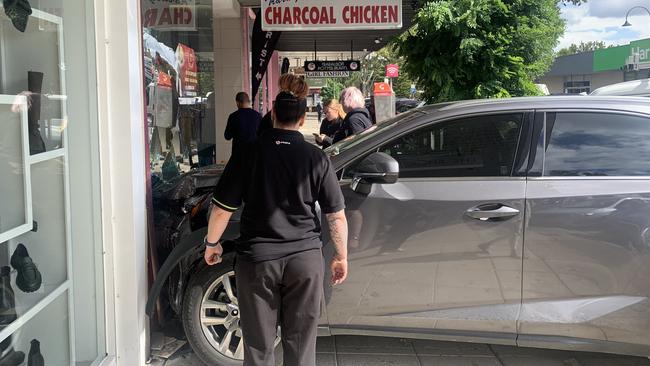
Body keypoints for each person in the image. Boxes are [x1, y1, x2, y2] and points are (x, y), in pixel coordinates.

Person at [203, 81, 349, 366]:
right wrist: (341, 256)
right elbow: (336, 215)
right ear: (302, 118)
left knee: (258, 346)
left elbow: (221, 210)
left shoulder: (247, 153)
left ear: (272, 113)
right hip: (305, 261)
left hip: (258, 261)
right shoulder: (316, 158)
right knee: (301, 344)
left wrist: (212, 244)